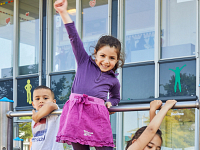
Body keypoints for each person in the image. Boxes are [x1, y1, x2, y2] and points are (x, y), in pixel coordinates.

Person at [54, 0, 125, 149]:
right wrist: (63, 13)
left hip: (98, 118)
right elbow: (73, 37)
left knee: (106, 148)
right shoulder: (83, 61)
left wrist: (110, 103)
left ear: (117, 59)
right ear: (95, 54)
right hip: (76, 115)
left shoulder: (113, 80)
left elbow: (116, 97)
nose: (106, 61)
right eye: (103, 56)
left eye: (112, 58)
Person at [31, 85, 64, 150]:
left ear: (54, 101)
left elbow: (50, 106)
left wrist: (36, 117)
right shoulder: (35, 114)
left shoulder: (54, 112)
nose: (41, 101)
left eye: (45, 98)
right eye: (37, 99)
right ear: (33, 104)